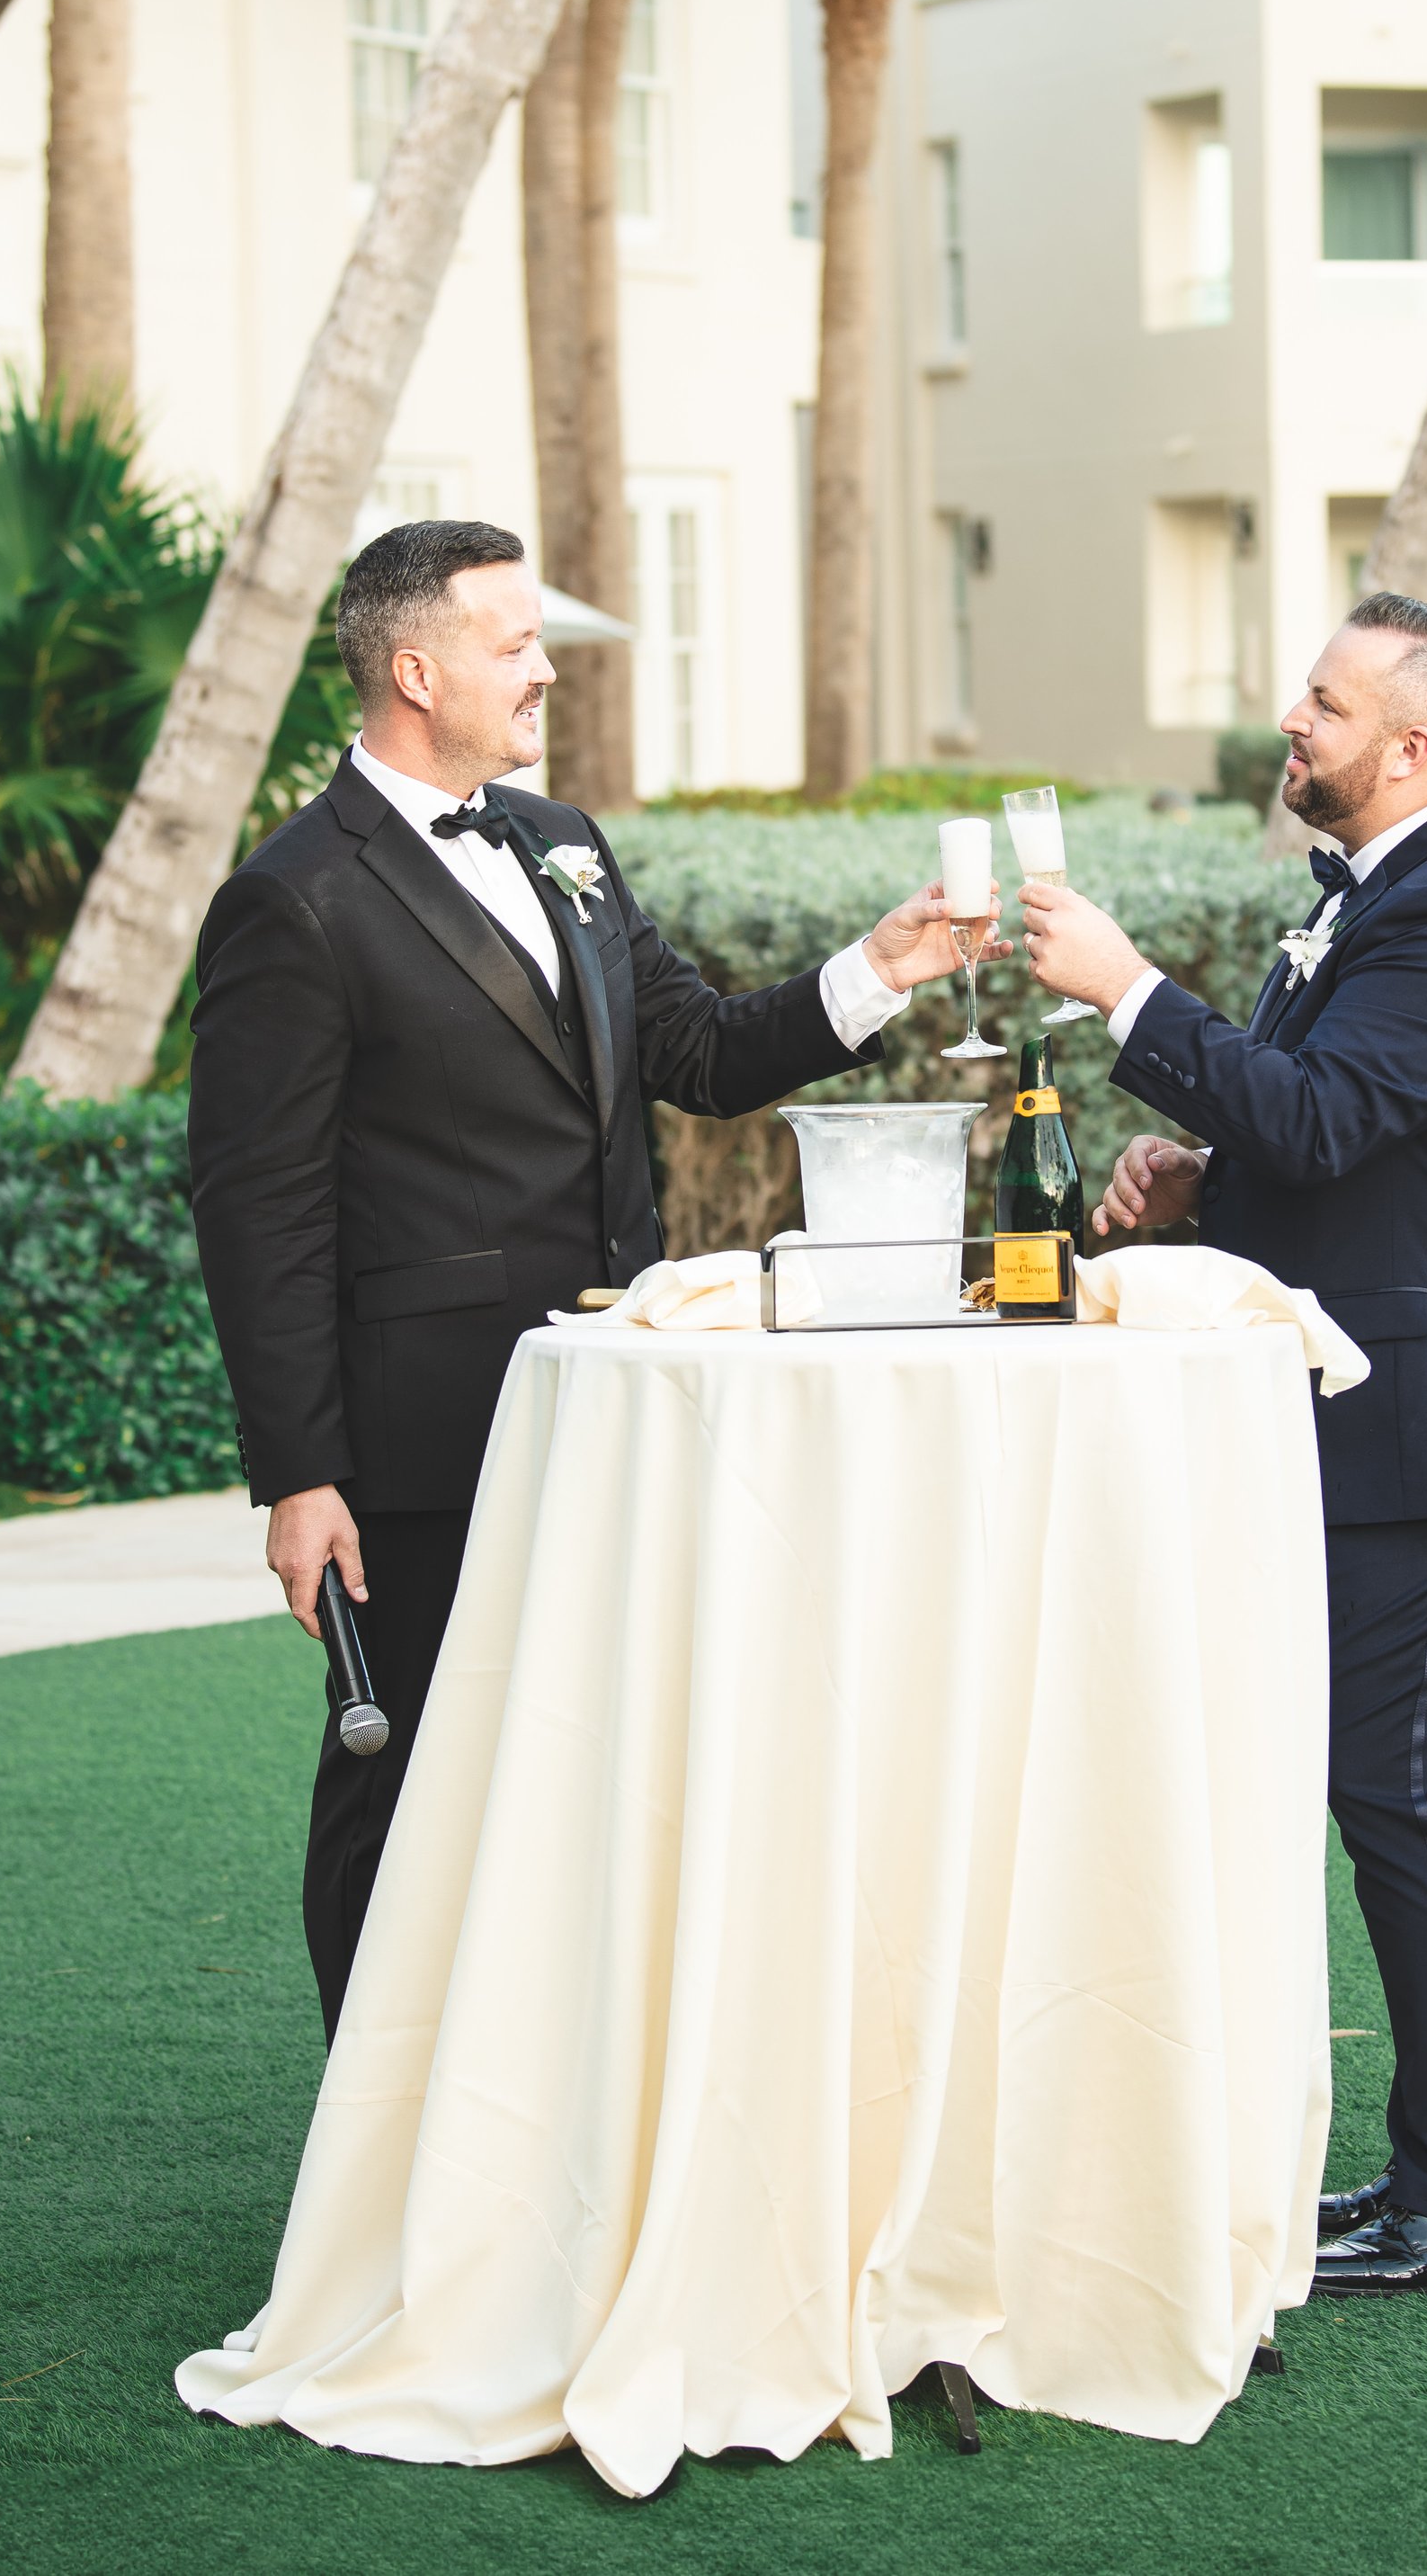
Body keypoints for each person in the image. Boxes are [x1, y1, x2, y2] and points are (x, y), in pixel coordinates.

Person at [188, 518, 997, 2037]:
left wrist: (878, 970)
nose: (545, 669)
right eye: (514, 643)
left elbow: (698, 1049)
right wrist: (299, 1473)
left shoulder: (562, 838)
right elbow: (258, 1211)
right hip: (427, 1434)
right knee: (402, 1776)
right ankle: (375, 2123)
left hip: (617, 1397)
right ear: (415, 671)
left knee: (590, 1766)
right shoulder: (294, 898)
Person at [1020, 591, 1427, 2297]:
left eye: (1328, 705)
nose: (1295, 718)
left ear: (1412, 747)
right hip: (1426, 1419)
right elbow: (1358, 1132)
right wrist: (1213, 1177)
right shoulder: (1399, 891)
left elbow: (1335, 1113)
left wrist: (1128, 991)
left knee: (1410, 1792)